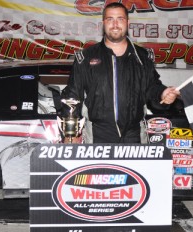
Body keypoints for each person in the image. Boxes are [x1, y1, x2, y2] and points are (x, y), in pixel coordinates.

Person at [61, 2, 180, 143]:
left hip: (134, 135)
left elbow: (152, 87)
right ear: (103, 23)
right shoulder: (85, 57)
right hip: (98, 135)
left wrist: (163, 94)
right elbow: (72, 97)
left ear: (127, 23)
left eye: (120, 19)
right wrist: (71, 134)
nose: (115, 24)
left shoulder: (142, 56)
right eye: (110, 19)